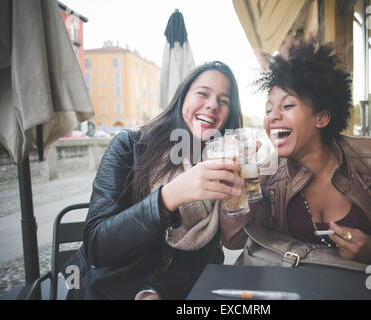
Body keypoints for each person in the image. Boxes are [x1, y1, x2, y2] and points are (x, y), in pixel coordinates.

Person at [220, 38, 371, 271]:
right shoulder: (265, 175)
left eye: (287, 106)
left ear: (322, 118)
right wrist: (235, 187)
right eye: (268, 109)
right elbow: (235, 241)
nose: (272, 116)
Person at [65, 61, 245, 300]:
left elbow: (208, 253)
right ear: (182, 97)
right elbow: (97, 246)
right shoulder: (130, 146)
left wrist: (156, 291)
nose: (213, 105)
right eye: (203, 93)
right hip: (106, 291)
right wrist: (167, 198)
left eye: (224, 101)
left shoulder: (221, 163)